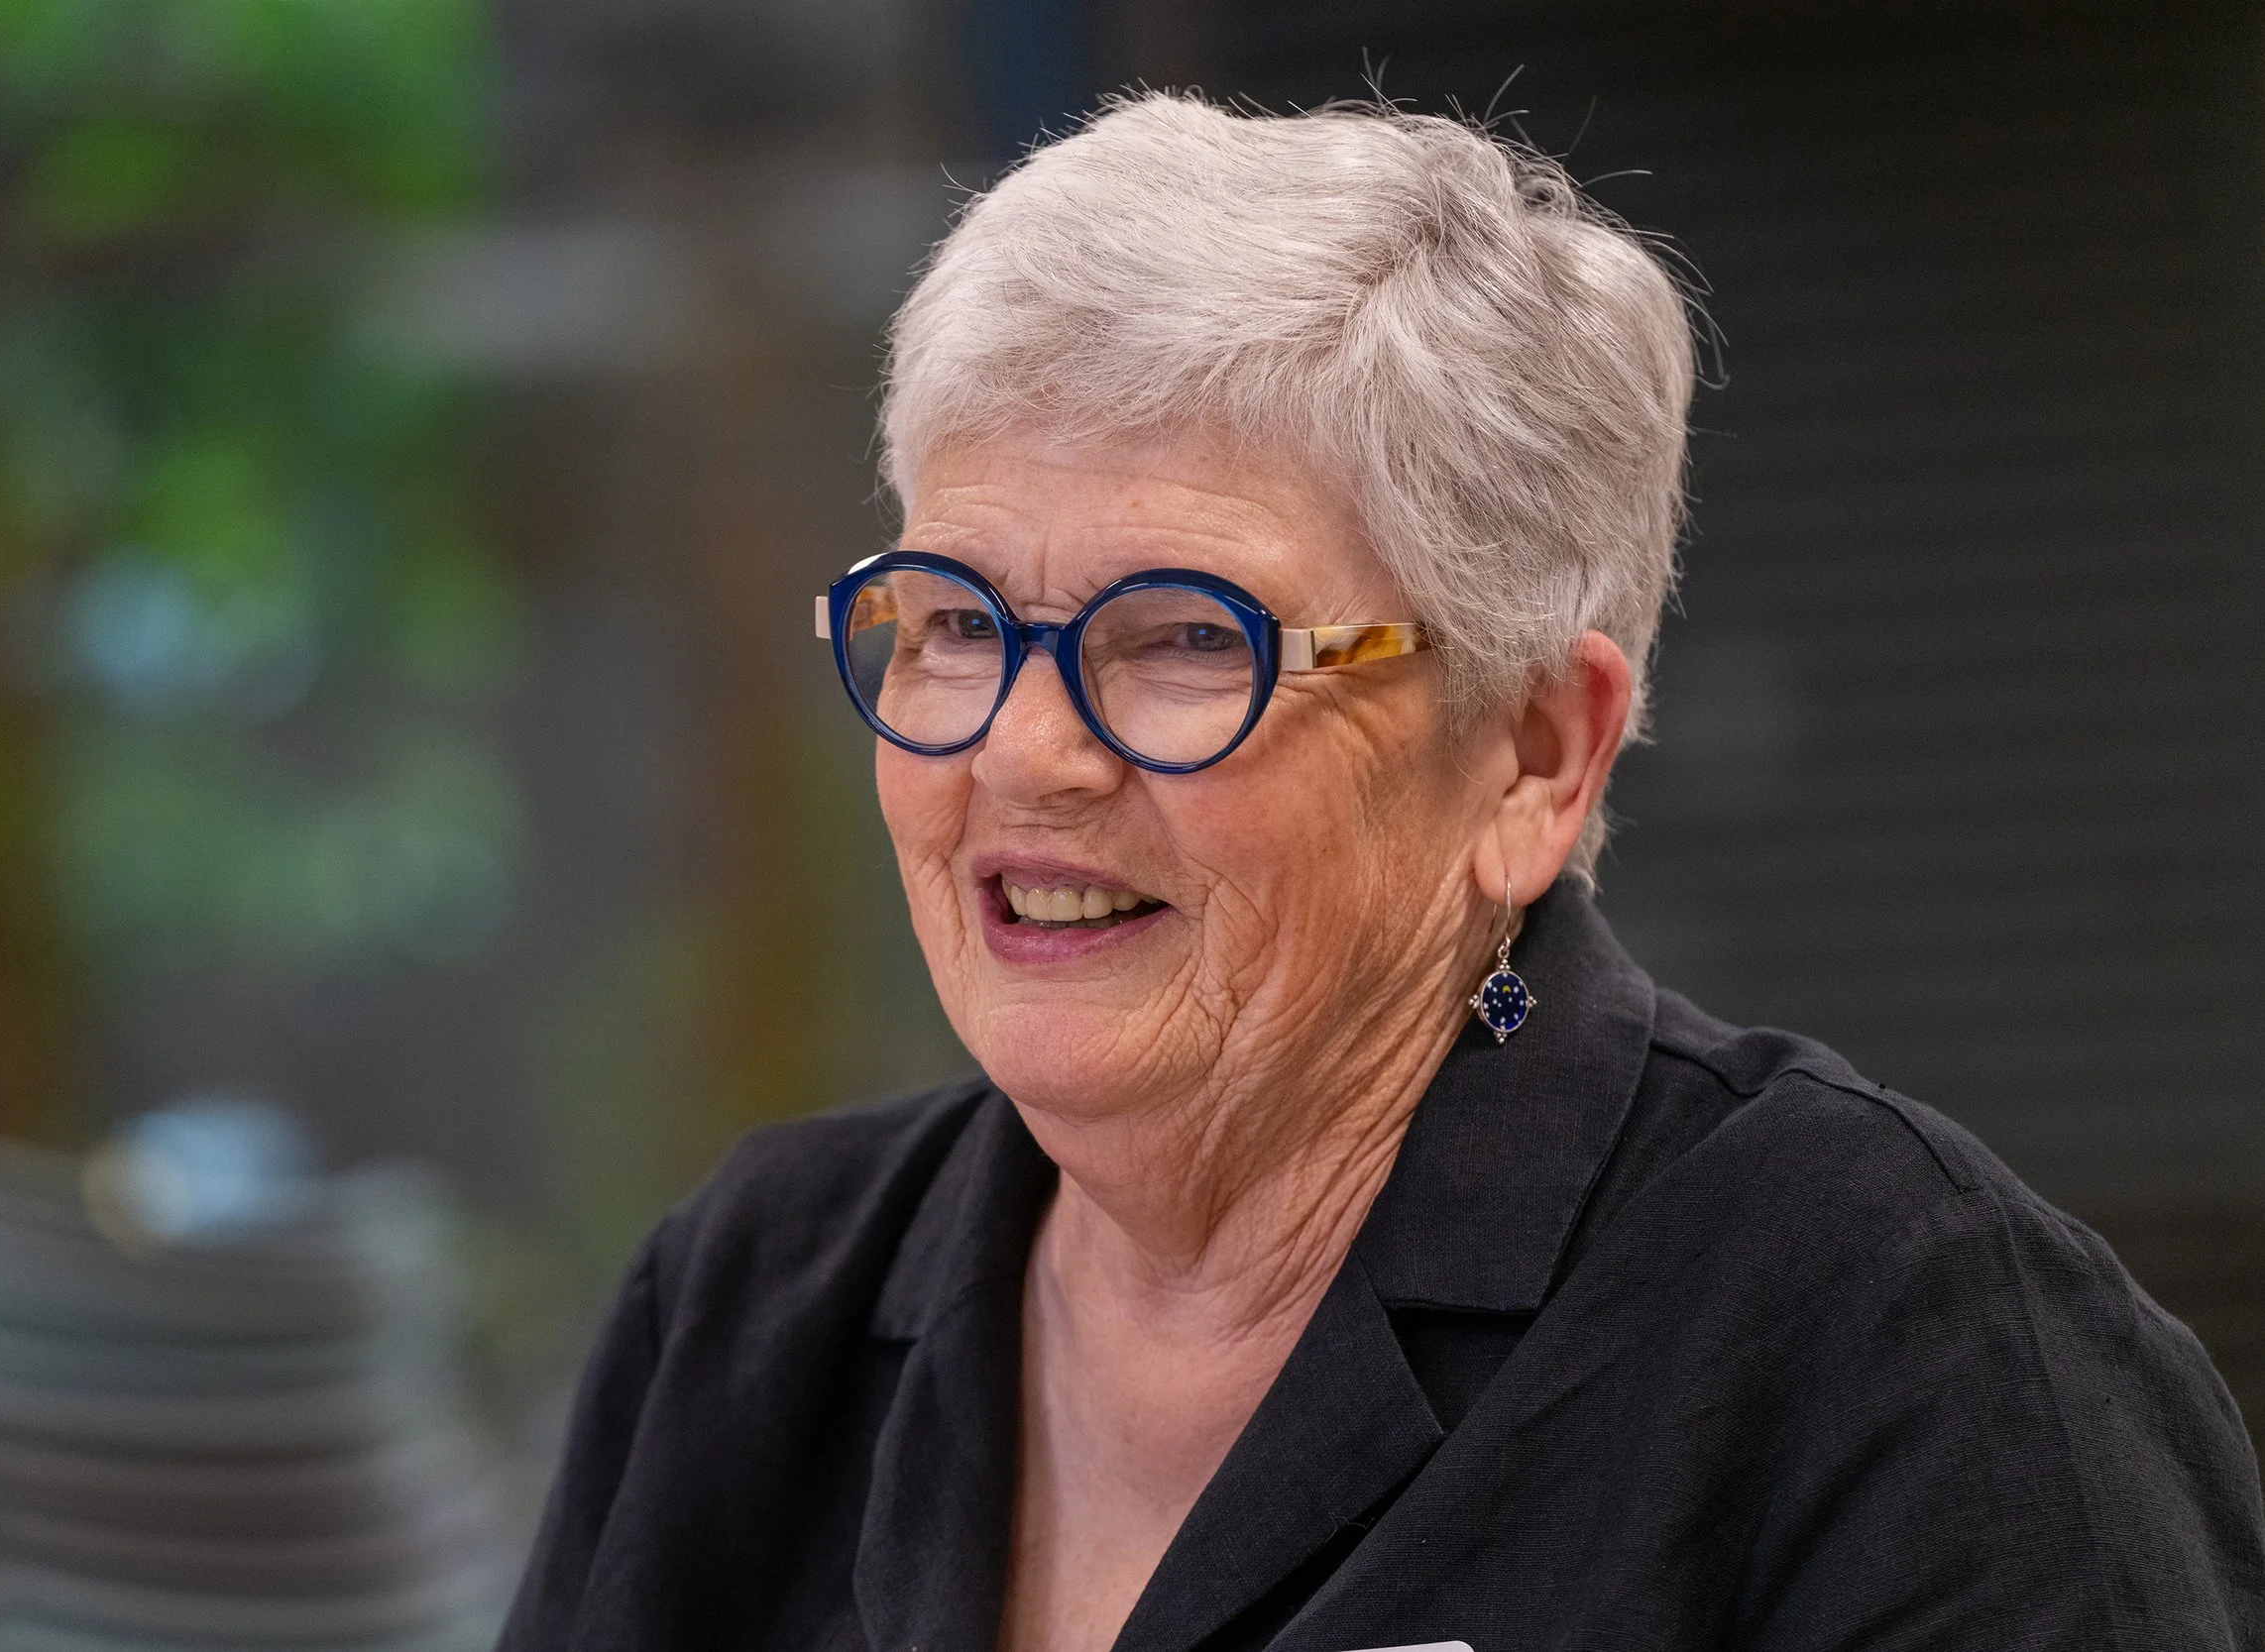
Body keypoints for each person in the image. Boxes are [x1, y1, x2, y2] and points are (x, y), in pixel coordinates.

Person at [499, 94, 2264, 1652]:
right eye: (958, 621)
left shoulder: (1904, 1352)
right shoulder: (750, 1302)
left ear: (1533, 753)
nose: (1026, 752)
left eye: (1184, 637)